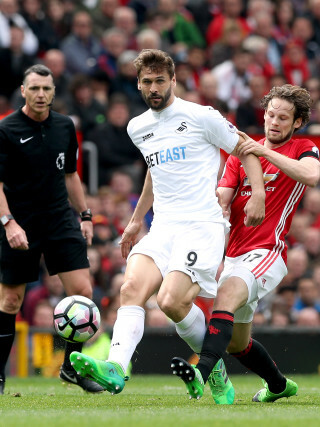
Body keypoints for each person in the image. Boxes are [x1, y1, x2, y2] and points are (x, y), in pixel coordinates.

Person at [69, 49, 266, 403]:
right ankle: (116, 367)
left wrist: (258, 195)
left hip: (201, 225)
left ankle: (215, 370)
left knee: (171, 302)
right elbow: (154, 171)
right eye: (147, 82)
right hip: (162, 226)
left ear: (173, 80)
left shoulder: (201, 116)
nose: (154, 87)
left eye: (161, 81)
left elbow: (245, 148)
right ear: (139, 84)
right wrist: (133, 222)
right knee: (130, 290)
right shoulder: (138, 127)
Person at [169, 84, 320, 403]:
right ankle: (279, 385)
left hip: (268, 252)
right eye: (270, 114)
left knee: (224, 297)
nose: (274, 122)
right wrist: (217, 203)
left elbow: (311, 176)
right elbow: (223, 194)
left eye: (283, 117)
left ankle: (202, 372)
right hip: (235, 256)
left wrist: (263, 151)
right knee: (238, 344)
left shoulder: (303, 147)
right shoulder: (240, 158)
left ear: (297, 123)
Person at [0, 64, 101, 395]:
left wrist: (86, 215)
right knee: (10, 299)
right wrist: (9, 223)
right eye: (34, 88)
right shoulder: (3, 130)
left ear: (53, 92)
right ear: (23, 91)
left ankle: (70, 368)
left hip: (59, 218)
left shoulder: (65, 127)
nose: (40, 94)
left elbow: (71, 176)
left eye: (46, 89)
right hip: (20, 221)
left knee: (83, 293)